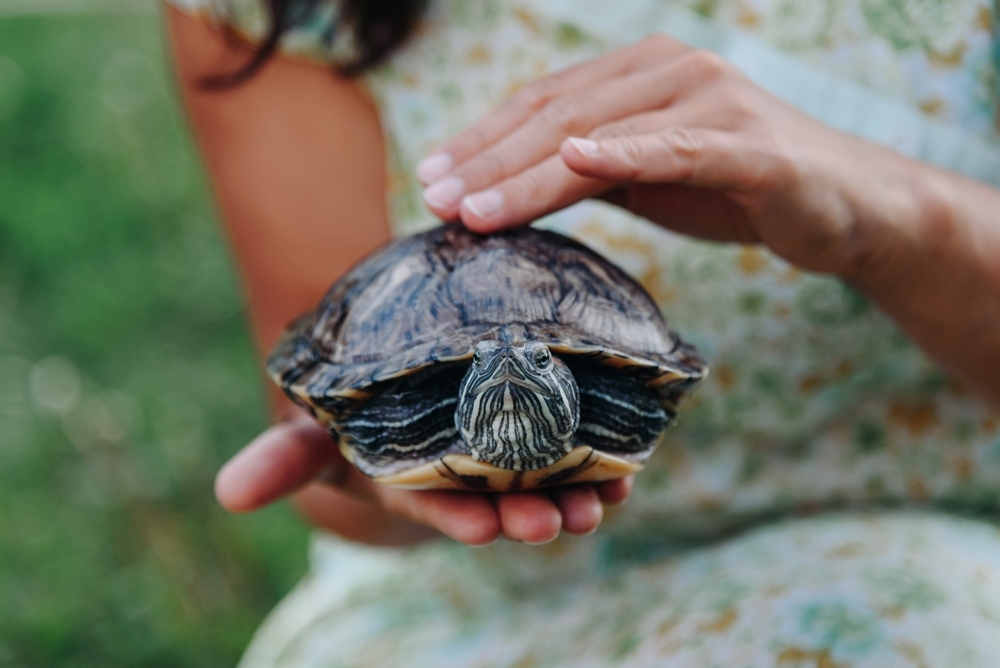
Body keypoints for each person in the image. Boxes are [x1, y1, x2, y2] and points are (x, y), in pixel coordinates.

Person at [167, 0, 1000, 664]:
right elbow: (323, 444)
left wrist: (898, 219)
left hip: (949, 568)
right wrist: (366, 457)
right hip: (491, 607)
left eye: (532, 367)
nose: (515, 365)